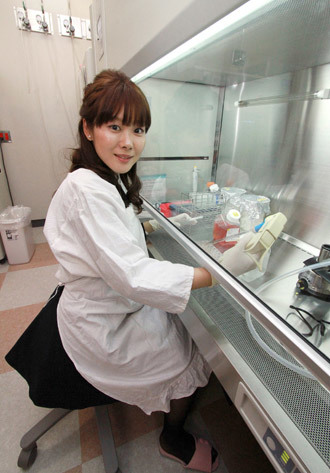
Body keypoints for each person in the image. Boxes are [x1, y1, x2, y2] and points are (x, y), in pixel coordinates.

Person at [43, 69, 261, 472]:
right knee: (188, 348)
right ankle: (171, 437)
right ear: (88, 129)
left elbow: (113, 240)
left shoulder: (105, 179)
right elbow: (132, 276)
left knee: (187, 326)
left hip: (112, 306)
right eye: (114, 126)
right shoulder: (85, 189)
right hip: (102, 327)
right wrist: (220, 271)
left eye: (138, 129)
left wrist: (150, 224)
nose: (129, 142)